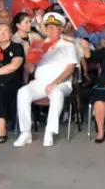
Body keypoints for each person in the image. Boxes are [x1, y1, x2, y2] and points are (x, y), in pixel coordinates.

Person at [14, 12, 78, 147]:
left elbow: (70, 68)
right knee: (23, 92)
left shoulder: (68, 45)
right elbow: (29, 68)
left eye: (55, 27)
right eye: (48, 27)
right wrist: (30, 65)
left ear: (61, 29)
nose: (51, 30)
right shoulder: (39, 45)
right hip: (40, 82)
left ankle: (50, 131)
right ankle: (26, 132)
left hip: (61, 83)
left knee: (57, 93)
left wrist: (55, 83)